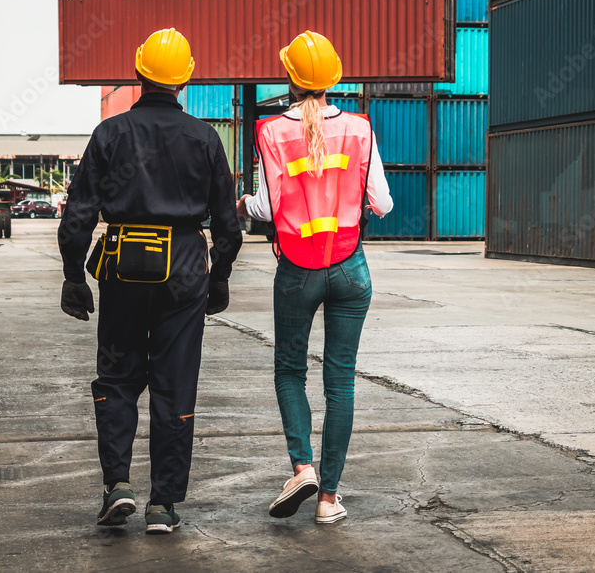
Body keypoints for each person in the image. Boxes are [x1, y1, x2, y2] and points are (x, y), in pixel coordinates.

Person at [58, 28, 242, 534]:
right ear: (184, 80)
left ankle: (118, 485)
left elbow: (78, 215)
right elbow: (228, 223)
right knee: (174, 385)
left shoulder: (110, 134)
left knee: (117, 377)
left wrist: (75, 275)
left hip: (124, 262)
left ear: (139, 74)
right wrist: (219, 276)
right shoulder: (204, 138)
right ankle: (163, 506)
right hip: (184, 265)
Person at [237, 30, 393, 524]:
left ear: (289, 78)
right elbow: (383, 205)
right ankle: (329, 500)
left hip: (297, 270)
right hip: (350, 267)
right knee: (340, 382)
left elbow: (264, 207)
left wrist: (240, 203)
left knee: (289, 370)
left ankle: (302, 466)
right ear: (333, 78)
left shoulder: (269, 132)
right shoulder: (361, 129)